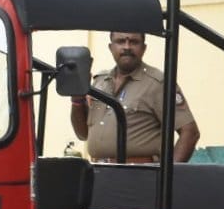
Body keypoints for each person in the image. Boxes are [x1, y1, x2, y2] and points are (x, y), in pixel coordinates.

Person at [71, 32, 200, 163]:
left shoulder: (158, 83)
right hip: (99, 173)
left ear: (144, 48)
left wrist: (168, 176)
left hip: (140, 174)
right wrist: (77, 99)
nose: (127, 47)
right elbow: (83, 134)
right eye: (120, 41)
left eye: (134, 42)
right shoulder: (100, 81)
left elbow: (190, 132)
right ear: (111, 47)